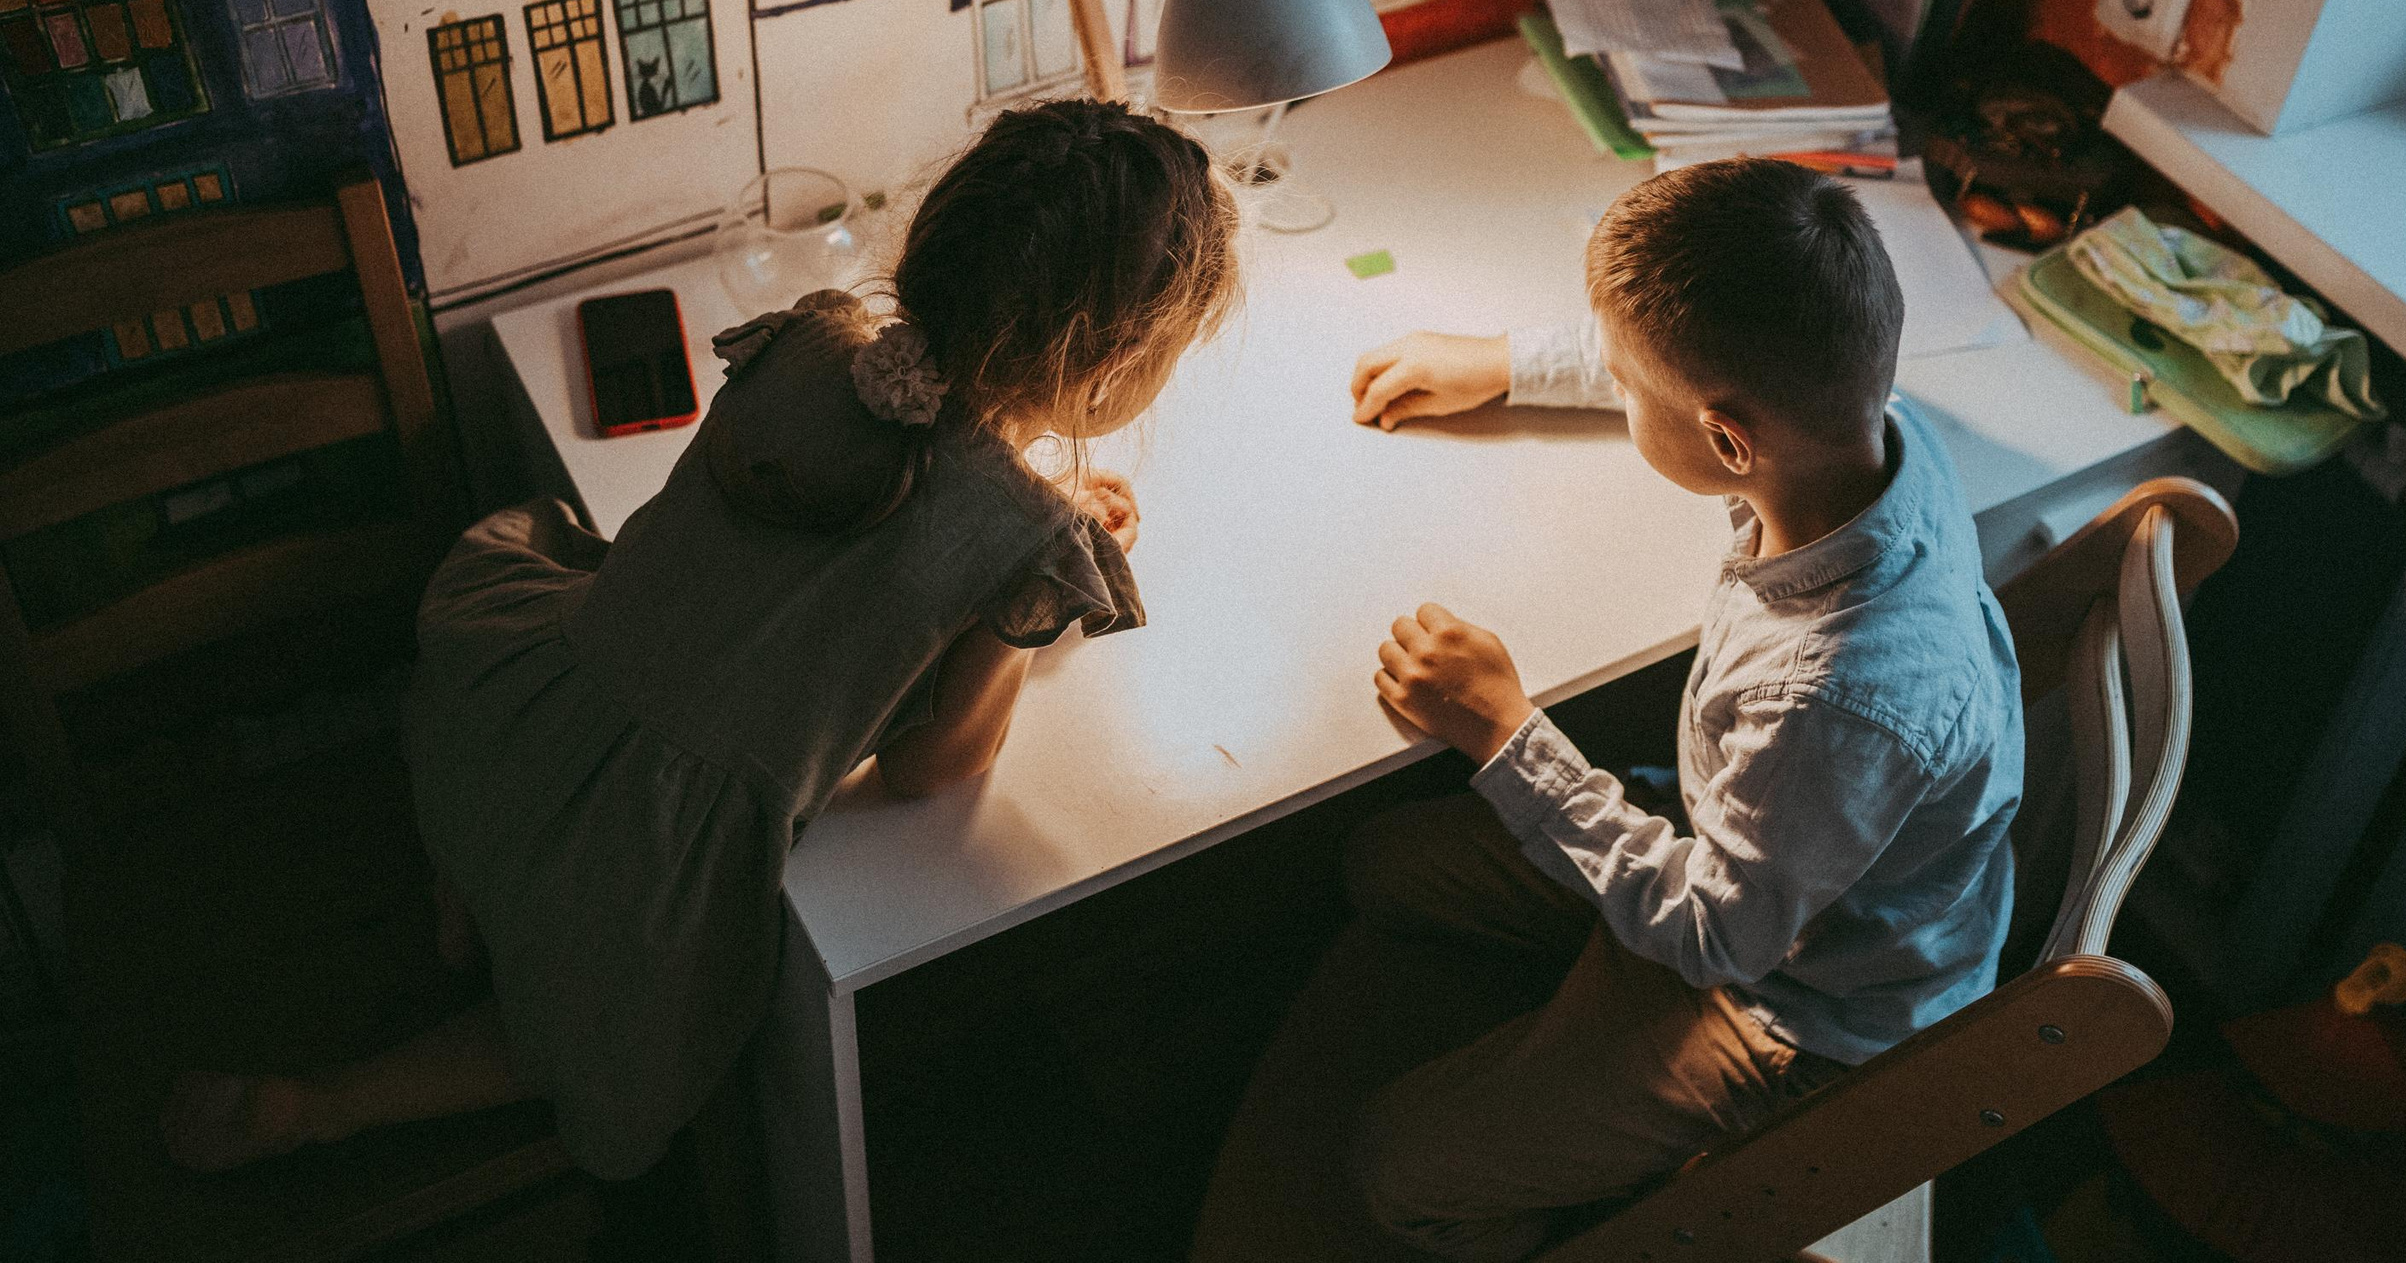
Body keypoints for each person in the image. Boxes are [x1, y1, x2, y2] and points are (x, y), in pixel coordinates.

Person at [161, 98, 1241, 1180]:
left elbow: (838, 538)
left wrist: (1015, 529)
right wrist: (1026, 600)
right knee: (584, 1038)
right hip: (646, 854)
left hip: (514, 713)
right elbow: (930, 768)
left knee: (509, 749)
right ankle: (326, 1105)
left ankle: (468, 898)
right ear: (1119, 357)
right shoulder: (1020, 535)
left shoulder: (817, 342)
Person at [1195, 156, 2021, 1263]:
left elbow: (1717, 935)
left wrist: (1505, 734)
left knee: (1396, 1171)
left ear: (1729, 444)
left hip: (1787, 1005)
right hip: (1759, 857)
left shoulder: (1836, 696)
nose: (1617, 386)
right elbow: (1706, 372)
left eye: (1626, 385)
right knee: (1383, 863)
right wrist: (1503, 363)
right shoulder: (1867, 430)